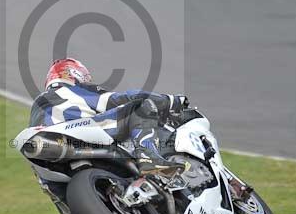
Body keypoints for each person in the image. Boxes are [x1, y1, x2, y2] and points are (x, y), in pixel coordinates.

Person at [29, 58, 187, 177]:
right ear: (75, 74)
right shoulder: (77, 88)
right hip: (79, 130)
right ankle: (149, 158)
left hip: (48, 148)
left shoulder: (37, 104)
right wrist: (172, 101)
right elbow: (124, 98)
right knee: (140, 107)